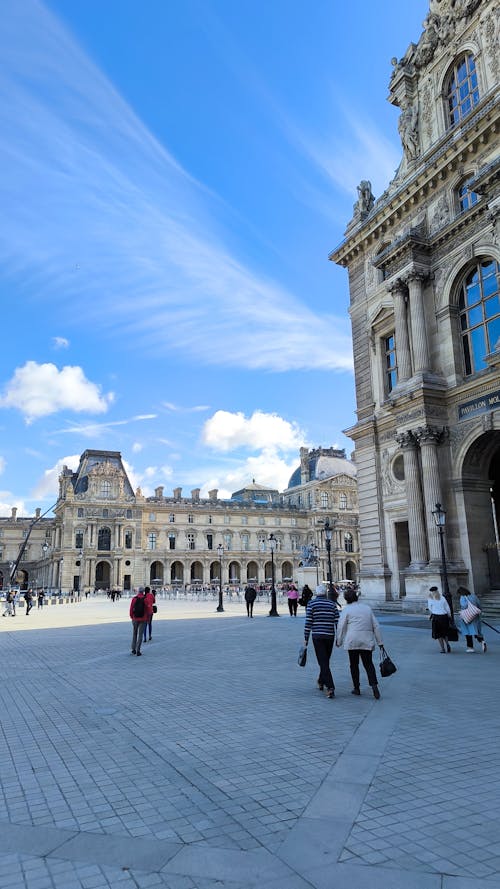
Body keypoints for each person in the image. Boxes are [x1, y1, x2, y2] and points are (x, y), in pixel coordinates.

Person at [336, 588, 383, 699]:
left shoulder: (347, 610)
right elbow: (376, 625)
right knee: (368, 664)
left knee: (354, 665)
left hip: (352, 640)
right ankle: (374, 686)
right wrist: (380, 641)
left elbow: (341, 626)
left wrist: (339, 640)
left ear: (346, 599)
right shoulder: (367, 608)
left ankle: (356, 688)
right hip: (366, 639)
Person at [303, 583, 340, 699]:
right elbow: (337, 621)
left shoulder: (312, 604)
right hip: (330, 635)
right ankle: (321, 680)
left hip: (317, 636)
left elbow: (308, 622)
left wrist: (306, 638)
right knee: (325, 660)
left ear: (316, 593)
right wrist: (339, 637)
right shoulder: (332, 604)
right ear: (325, 593)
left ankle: (330, 687)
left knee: (323, 661)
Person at [456, 586, 487, 653]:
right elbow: (479, 605)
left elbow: (464, 606)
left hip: (467, 617)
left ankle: (470, 647)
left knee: (467, 632)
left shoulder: (462, 597)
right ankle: (482, 641)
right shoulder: (473, 596)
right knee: (476, 631)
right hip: (475, 616)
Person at [427, 586, 451, 653]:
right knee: (444, 633)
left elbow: (430, 608)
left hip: (436, 617)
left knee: (438, 634)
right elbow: (447, 607)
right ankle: (447, 644)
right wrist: (449, 615)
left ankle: (443, 649)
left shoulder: (430, 599)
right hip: (444, 617)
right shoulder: (442, 598)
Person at [129, 587, 152, 656]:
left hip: (135, 619)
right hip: (143, 619)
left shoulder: (134, 599)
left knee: (134, 634)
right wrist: (148, 618)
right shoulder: (146, 599)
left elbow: (131, 608)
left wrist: (132, 617)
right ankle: (138, 650)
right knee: (140, 635)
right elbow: (149, 610)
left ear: (138, 592)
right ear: (143, 592)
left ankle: (133, 649)